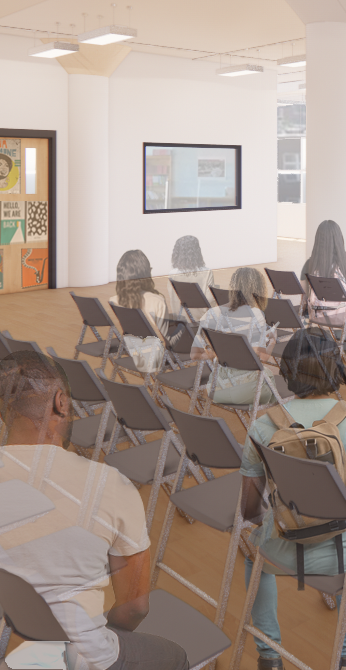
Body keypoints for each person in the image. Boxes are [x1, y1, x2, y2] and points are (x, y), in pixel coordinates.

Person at [0, 350, 189, 670]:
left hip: (15, 630)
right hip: (88, 655)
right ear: (61, 402)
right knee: (178, 656)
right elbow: (135, 608)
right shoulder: (112, 489)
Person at [239, 327, 346, 670]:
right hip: (343, 558)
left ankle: (269, 656)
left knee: (250, 553)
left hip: (282, 549)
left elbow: (249, 509)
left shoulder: (262, 426)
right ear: (336, 371)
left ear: (287, 374)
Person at [190, 267, 278, 410]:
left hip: (216, 389)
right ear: (259, 291)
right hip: (247, 391)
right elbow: (263, 358)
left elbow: (195, 355)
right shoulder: (256, 315)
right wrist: (272, 342)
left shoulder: (211, 313)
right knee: (269, 378)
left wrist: (217, 352)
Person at [300, 219, 346, 369]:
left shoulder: (309, 264)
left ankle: (316, 365)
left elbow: (304, 299)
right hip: (341, 324)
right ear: (339, 240)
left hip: (316, 322)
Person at [166, 235, 213, 317]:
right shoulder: (207, 271)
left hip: (182, 321)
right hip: (203, 321)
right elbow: (211, 299)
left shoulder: (172, 274)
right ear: (197, 251)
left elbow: (173, 301)